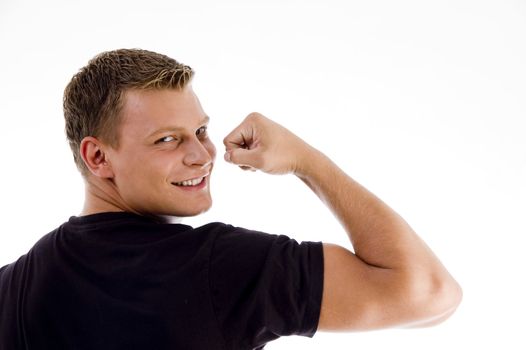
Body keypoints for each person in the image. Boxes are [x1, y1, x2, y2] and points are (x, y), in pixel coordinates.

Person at [0, 49, 462, 349]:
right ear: (98, 156)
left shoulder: (11, 287)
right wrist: (306, 160)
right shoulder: (216, 266)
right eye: (167, 140)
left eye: (200, 131)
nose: (202, 155)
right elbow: (429, 294)